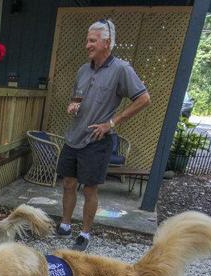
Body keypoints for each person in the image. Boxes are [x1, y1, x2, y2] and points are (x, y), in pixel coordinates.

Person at [56, 19, 150, 251]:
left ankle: (85, 234)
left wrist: (111, 123)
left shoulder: (121, 69)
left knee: (89, 189)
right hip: (73, 137)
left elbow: (144, 99)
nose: (87, 45)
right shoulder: (83, 70)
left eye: (92, 40)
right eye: (87, 40)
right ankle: (66, 225)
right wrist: (73, 105)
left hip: (97, 140)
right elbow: (76, 97)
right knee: (68, 183)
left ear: (106, 42)